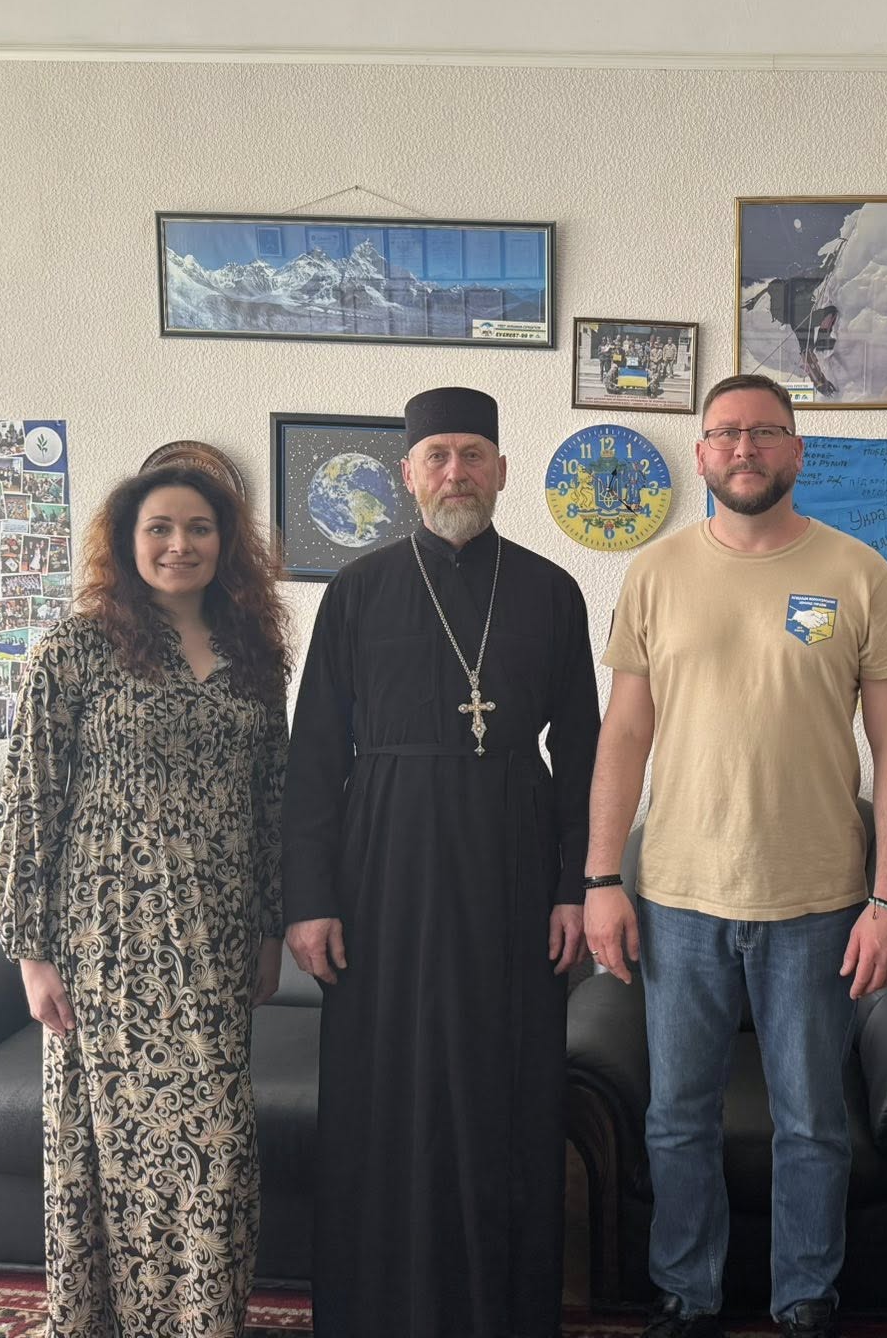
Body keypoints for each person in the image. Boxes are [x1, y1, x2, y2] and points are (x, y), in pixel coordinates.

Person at [584, 373, 887, 1338]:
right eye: (727, 433)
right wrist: (602, 878)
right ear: (701, 453)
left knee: (813, 1120)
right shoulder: (655, 572)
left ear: (797, 451)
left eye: (766, 432)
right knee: (676, 1117)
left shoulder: (858, 571)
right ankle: (685, 1294)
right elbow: (624, 736)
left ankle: (805, 1298)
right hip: (679, 898)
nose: (745, 448)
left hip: (819, 900)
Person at [282, 385, 602, 1338]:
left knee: (506, 1086)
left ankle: (500, 1311)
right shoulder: (357, 590)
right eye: (437, 457)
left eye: (472, 455)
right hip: (381, 870)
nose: (456, 472)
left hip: (513, 868)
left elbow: (584, 754)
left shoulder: (551, 590)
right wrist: (309, 899)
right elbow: (314, 757)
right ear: (408, 475)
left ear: (501, 471)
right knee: (387, 1090)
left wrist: (575, 889)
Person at [0, 463, 292, 1338]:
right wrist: (31, 955)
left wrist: (269, 929)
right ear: (127, 541)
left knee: (216, 1152)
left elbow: (274, 799)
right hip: (106, 945)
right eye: (159, 527)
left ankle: (202, 1322)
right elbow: (29, 801)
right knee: (112, 1157)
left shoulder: (255, 655)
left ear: (225, 542)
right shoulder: (75, 649)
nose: (179, 545)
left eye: (199, 528)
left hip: (217, 942)